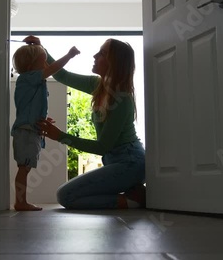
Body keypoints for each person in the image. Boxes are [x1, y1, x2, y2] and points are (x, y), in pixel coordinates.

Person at [25, 35, 146, 209]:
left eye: (102, 53)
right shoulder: (97, 85)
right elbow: (62, 76)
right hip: (116, 161)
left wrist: (60, 136)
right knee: (67, 195)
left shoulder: (123, 100)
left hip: (131, 163)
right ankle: (132, 193)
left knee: (65, 196)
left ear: (114, 63)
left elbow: (102, 147)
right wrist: (41, 49)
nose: (95, 56)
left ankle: (134, 200)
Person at [11, 43, 80, 211]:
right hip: (26, 132)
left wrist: (40, 117)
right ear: (31, 65)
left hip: (29, 129)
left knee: (25, 168)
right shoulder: (29, 77)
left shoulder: (30, 81)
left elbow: (31, 104)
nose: (46, 65)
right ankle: (20, 202)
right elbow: (53, 69)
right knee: (24, 168)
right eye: (43, 61)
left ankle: (21, 201)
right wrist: (68, 55)